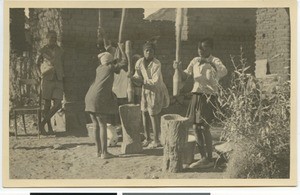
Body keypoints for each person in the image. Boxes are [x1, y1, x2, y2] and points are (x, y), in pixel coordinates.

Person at [173, 38, 227, 169]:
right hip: (196, 96)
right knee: (196, 127)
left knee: (204, 127)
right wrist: (179, 69)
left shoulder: (215, 60)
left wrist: (210, 64)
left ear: (210, 49)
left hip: (208, 97)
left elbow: (224, 72)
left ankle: (208, 157)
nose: (201, 51)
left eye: (204, 48)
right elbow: (186, 76)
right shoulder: (195, 61)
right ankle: (203, 157)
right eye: (199, 48)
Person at [85, 50, 127, 159]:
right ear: (109, 63)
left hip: (89, 97)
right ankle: (105, 153)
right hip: (98, 98)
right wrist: (121, 48)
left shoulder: (99, 68)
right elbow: (124, 62)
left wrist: (114, 60)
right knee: (102, 124)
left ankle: (98, 151)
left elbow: (113, 64)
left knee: (96, 126)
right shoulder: (110, 68)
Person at [129, 41, 170, 148]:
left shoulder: (157, 63)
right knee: (144, 113)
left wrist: (141, 81)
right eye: (147, 50)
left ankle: (156, 140)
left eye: (151, 51)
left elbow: (155, 81)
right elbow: (137, 75)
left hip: (155, 90)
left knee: (153, 114)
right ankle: (148, 138)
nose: (149, 53)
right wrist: (133, 78)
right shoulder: (139, 62)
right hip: (145, 90)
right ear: (143, 52)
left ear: (154, 52)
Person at [36, 30, 64, 135]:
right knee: (47, 105)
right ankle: (49, 128)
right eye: (51, 37)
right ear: (47, 38)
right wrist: (40, 75)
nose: (53, 39)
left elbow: (62, 63)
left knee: (58, 104)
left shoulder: (60, 50)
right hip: (47, 79)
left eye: (55, 37)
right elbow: (36, 64)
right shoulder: (42, 50)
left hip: (58, 79)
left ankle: (41, 123)